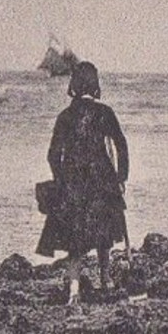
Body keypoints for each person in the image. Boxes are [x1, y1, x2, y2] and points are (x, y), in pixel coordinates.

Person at [36, 61, 130, 305]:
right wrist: (121, 178)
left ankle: (74, 291)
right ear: (95, 85)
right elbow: (121, 145)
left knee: (74, 238)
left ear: (73, 84)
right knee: (104, 233)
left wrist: (61, 179)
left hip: (74, 182)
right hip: (102, 178)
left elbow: (52, 154)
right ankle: (105, 278)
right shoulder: (105, 112)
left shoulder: (65, 116)